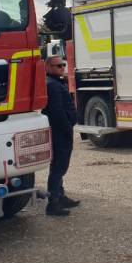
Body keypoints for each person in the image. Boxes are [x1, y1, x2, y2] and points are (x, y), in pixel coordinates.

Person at [42, 56, 79, 216]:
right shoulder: (52, 84)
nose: (62, 68)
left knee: (60, 165)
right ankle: (53, 203)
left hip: (61, 131)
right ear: (47, 66)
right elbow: (57, 112)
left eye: (63, 65)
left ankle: (60, 196)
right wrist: (67, 127)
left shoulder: (55, 82)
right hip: (60, 133)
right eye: (58, 66)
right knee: (59, 167)